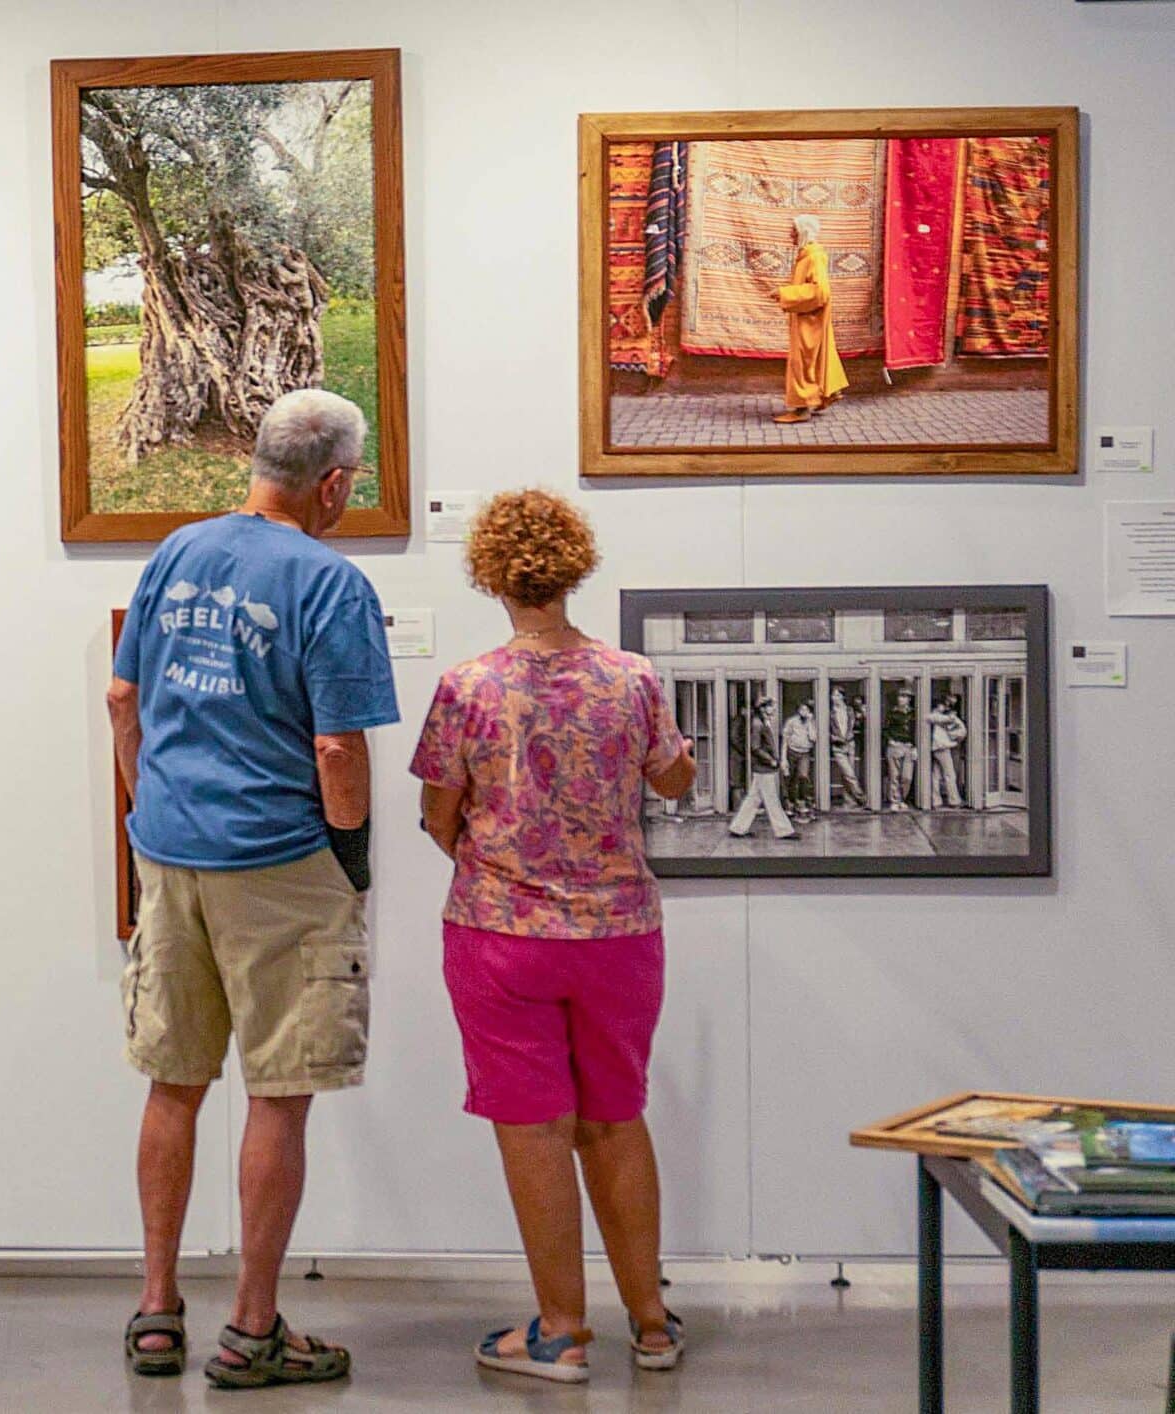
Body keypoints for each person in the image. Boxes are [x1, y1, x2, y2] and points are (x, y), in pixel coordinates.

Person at [106, 389, 397, 1389]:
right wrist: (349, 858)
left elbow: (121, 694)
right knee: (279, 1093)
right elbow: (335, 748)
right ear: (333, 482)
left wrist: (155, 803)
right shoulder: (330, 582)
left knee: (173, 1082)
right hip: (278, 860)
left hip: (171, 852)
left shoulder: (177, 551)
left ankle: (154, 1310)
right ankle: (251, 1329)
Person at [414, 488, 695, 1384]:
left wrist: (492, 850)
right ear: (575, 569)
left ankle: (562, 1332)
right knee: (616, 1118)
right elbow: (676, 783)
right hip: (618, 933)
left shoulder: (467, 685)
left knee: (535, 1129)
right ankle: (650, 1326)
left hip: (501, 933)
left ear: (490, 575)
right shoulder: (632, 677)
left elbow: (437, 815)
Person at [773, 213, 848, 425]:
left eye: (794, 231)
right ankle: (825, 393)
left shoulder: (813, 257)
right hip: (807, 318)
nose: (790, 235)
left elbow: (820, 292)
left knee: (803, 363)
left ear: (803, 232)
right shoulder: (807, 255)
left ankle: (801, 409)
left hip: (810, 320)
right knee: (811, 361)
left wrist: (785, 293)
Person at [727, 699, 796, 840]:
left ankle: (738, 828)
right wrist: (770, 760)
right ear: (763, 708)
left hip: (761, 767)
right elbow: (755, 747)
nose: (774, 709)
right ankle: (784, 830)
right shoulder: (758, 724)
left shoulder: (761, 722)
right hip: (763, 767)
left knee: (753, 799)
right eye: (771, 707)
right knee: (771, 799)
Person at [884, 689, 920, 812]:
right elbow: (885, 729)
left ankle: (902, 799)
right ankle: (895, 800)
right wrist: (890, 740)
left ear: (909, 699)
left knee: (907, 777)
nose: (901, 699)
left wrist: (915, 747)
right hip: (895, 745)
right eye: (900, 696)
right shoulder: (891, 713)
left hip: (908, 746)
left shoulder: (913, 713)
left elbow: (916, 731)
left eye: (904, 697)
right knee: (894, 775)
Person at [828, 687, 864, 806]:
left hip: (850, 743)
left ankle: (848, 800)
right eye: (833, 695)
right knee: (849, 773)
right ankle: (861, 797)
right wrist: (833, 737)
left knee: (847, 774)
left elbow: (857, 725)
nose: (835, 698)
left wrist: (863, 713)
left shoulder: (850, 710)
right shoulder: (829, 712)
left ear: (843, 696)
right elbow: (825, 731)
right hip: (838, 746)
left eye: (837, 695)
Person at [929, 695, 967, 808]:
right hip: (942, 748)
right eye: (943, 704)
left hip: (933, 748)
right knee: (949, 774)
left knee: (935, 775)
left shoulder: (932, 717)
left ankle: (935, 801)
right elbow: (961, 731)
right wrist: (954, 742)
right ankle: (954, 800)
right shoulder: (944, 718)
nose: (945, 706)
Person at [781, 701, 817, 818]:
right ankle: (790, 804)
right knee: (791, 778)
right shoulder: (791, 721)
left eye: (806, 710)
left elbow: (813, 738)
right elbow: (785, 740)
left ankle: (802, 803)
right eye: (802, 709)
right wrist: (783, 758)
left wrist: (810, 722)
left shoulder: (811, 722)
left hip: (805, 753)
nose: (804, 712)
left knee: (803, 776)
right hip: (792, 752)